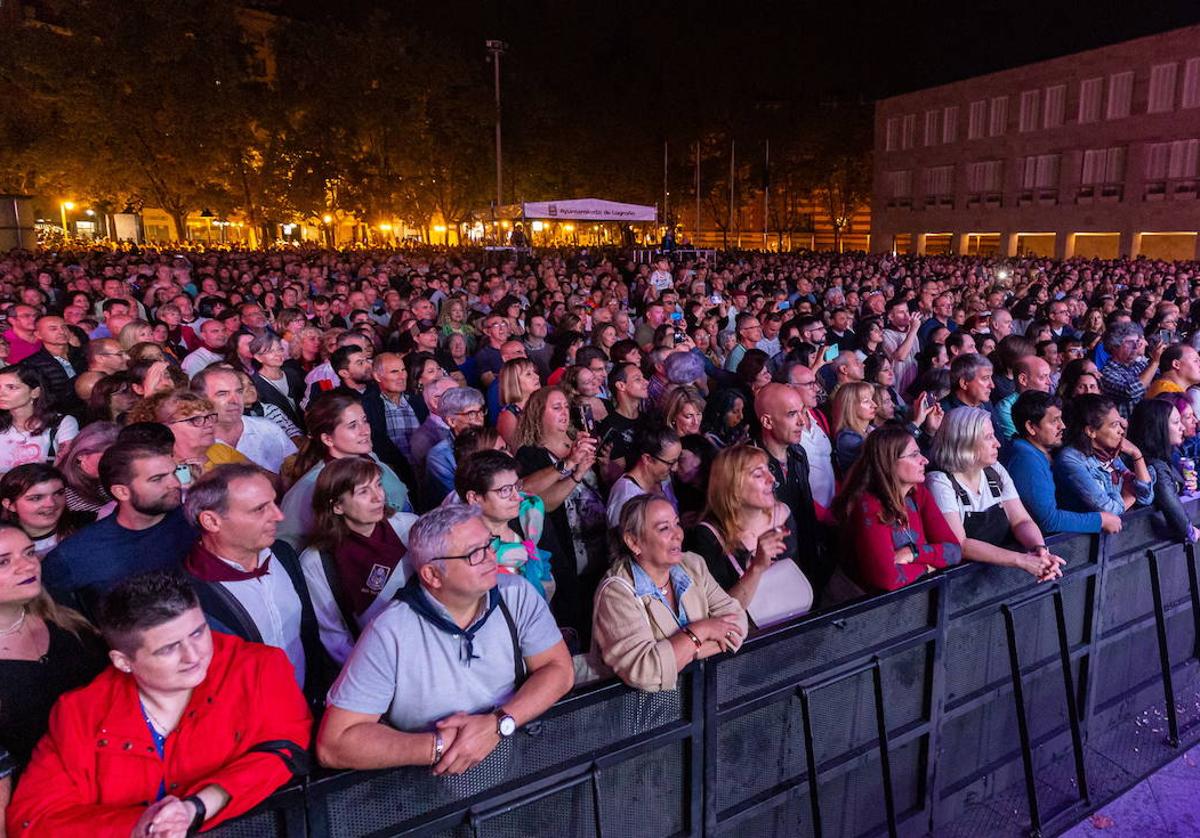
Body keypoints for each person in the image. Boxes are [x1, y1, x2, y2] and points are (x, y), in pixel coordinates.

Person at [8, 571, 312, 836]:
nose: (194, 656)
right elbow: (33, 820)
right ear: (124, 662)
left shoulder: (257, 667)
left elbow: (286, 749)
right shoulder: (80, 713)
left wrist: (196, 806)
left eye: (198, 632)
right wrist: (139, 826)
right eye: (169, 649)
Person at [316, 505, 574, 772]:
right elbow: (334, 744)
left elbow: (559, 670)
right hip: (433, 789)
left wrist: (498, 724)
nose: (490, 558)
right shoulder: (390, 632)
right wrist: (439, 746)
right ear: (432, 575)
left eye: (488, 545)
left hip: (519, 764)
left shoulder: (516, 595)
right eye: (474, 553)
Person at [181, 463, 327, 699]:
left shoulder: (283, 554)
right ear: (212, 521)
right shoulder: (187, 593)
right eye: (260, 509)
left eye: (274, 503)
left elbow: (307, 631)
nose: (279, 516)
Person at [590, 495, 747, 692]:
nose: (678, 534)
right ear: (633, 542)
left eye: (677, 523)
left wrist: (685, 654)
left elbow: (738, 622)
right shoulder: (616, 593)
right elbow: (646, 672)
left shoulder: (692, 565)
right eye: (664, 528)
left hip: (702, 700)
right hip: (646, 716)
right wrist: (702, 631)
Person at [41, 440, 196, 617]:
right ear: (122, 492)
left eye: (174, 472)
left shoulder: (196, 520)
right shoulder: (74, 556)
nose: (175, 483)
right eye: (157, 479)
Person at [0, 524, 106, 774]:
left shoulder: (67, 618)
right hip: (43, 793)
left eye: (28, 552)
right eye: (3, 562)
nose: (29, 565)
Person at [299, 456, 418, 664]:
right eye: (363, 491)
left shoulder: (409, 528)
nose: (378, 497)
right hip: (374, 660)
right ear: (337, 506)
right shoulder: (316, 561)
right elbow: (333, 636)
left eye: (378, 485)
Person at [927, 407, 1065, 584]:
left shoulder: (995, 471)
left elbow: (1021, 520)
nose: (997, 443)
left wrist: (1040, 550)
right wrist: (1022, 560)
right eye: (988, 437)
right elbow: (961, 544)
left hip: (998, 578)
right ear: (964, 441)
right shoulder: (939, 482)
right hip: (962, 584)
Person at [513, 386, 605, 640]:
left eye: (566, 406)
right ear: (537, 414)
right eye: (556, 408)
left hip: (599, 541)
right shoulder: (530, 454)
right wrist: (570, 467)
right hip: (568, 547)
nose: (564, 412)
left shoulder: (578, 442)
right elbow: (537, 499)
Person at [830, 427, 961, 593]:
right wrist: (927, 568)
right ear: (889, 462)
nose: (925, 460)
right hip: (861, 610)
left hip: (906, 603)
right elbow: (887, 578)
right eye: (914, 455)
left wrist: (913, 553)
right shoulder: (867, 504)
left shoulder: (918, 493)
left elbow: (954, 551)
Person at [684, 445, 808, 617]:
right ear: (733, 487)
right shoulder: (708, 536)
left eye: (768, 470)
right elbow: (719, 614)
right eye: (758, 474)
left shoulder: (783, 514)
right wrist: (756, 568)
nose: (772, 478)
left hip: (794, 619)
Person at [278, 393, 410, 549]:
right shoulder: (312, 484)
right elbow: (287, 543)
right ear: (328, 439)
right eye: (352, 425)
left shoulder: (370, 458)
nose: (365, 431)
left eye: (364, 421)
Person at [1004, 391, 1122, 536]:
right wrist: (1100, 520)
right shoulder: (1026, 458)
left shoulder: (1040, 452)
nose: (1063, 426)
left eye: (1061, 419)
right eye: (1054, 421)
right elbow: (1048, 520)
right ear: (1031, 427)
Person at [457, 450, 558, 601]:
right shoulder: (463, 551)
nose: (517, 497)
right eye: (505, 490)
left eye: (516, 487)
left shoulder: (530, 526)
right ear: (474, 498)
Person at [1054, 394, 1156, 515]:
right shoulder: (1070, 459)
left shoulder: (1108, 453)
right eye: (1114, 425)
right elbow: (1109, 511)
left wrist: (1136, 454)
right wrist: (1131, 496)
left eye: (1120, 424)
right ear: (1091, 431)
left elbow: (1146, 497)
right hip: (1086, 534)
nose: (1121, 431)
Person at [192, 366, 297, 474]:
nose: (235, 400)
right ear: (200, 400)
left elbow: (296, 473)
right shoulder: (193, 446)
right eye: (222, 394)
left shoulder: (268, 428)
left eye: (239, 391)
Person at [128, 390, 246, 484]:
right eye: (195, 420)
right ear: (163, 428)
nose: (209, 424)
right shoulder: (157, 469)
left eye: (209, 417)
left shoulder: (220, 450)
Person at [1128, 398, 1200, 543]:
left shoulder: (1161, 459)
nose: (1182, 428)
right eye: (1175, 422)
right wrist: (1191, 530)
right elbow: (1183, 528)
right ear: (1156, 427)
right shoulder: (1155, 466)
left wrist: (1183, 485)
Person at [0, 366, 78, 475]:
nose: (1, 394)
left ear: (35, 392)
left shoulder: (61, 423)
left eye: (11, 387)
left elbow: (65, 468)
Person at [423, 387, 487, 510]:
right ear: (451, 421)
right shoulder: (439, 456)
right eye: (471, 414)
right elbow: (456, 500)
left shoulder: (491, 440)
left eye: (481, 411)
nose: (480, 418)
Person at [606, 425, 681, 529]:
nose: (675, 468)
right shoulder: (626, 496)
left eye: (678, 460)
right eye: (670, 463)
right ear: (647, 459)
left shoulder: (664, 478)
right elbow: (620, 542)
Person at [0, 464, 81, 558]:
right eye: (36, 498)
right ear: (10, 505)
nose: (51, 503)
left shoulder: (86, 525)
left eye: (58, 493)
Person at [19, 315, 84, 418]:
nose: (62, 332)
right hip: (57, 417)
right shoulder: (31, 364)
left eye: (64, 327)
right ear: (38, 334)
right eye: (53, 329)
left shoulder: (84, 354)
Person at [54, 420, 119, 516]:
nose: (115, 463)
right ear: (81, 455)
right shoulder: (65, 493)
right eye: (107, 457)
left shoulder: (114, 480)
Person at [249, 332, 306, 433]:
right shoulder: (255, 384)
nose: (278, 354)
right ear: (258, 357)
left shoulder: (292, 373)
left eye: (280, 349)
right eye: (270, 351)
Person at [1099, 322, 1159, 419]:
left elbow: (1161, 379)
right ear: (1114, 346)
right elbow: (1131, 391)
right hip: (1127, 429)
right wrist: (1155, 362)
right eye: (1131, 342)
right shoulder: (1106, 372)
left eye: (1137, 341)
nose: (1136, 347)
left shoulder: (1140, 364)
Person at [831, 380, 877, 475]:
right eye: (866, 401)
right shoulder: (847, 438)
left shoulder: (870, 429)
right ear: (850, 406)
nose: (874, 405)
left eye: (872, 399)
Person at [496, 358, 542, 451]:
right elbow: (518, 452)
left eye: (534, 372)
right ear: (514, 382)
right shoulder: (508, 416)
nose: (537, 376)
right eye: (528, 374)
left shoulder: (540, 404)